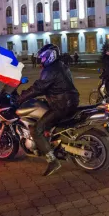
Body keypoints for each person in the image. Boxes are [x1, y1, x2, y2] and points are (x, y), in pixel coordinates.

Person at [17, 44, 80, 176]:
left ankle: (53, 161)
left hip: (61, 105)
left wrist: (21, 97)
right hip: (71, 101)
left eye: (43, 58)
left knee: (37, 129)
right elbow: (55, 86)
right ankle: (53, 142)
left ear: (50, 56)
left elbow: (38, 88)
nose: (41, 60)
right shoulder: (61, 65)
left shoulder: (50, 70)